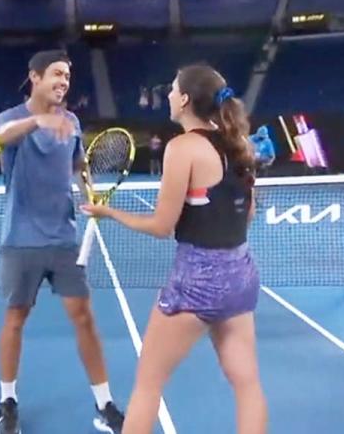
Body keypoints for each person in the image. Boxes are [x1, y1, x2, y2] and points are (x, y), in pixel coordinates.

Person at [82, 63, 267, 434]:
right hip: (241, 277)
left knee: (148, 384)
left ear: (184, 99)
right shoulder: (238, 145)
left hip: (196, 282)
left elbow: (161, 227)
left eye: (172, 89)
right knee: (246, 385)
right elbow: (246, 216)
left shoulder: (183, 148)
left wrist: (110, 212)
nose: (167, 95)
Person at [0, 50, 125, 434]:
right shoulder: (10, 119)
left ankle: (104, 404)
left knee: (84, 318)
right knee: (15, 319)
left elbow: (79, 165)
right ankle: (7, 401)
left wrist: (90, 191)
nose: (63, 81)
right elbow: (0, 139)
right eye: (56, 74)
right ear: (34, 77)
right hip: (21, 240)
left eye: (67, 75)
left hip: (64, 239)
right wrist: (38, 121)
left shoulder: (72, 122)